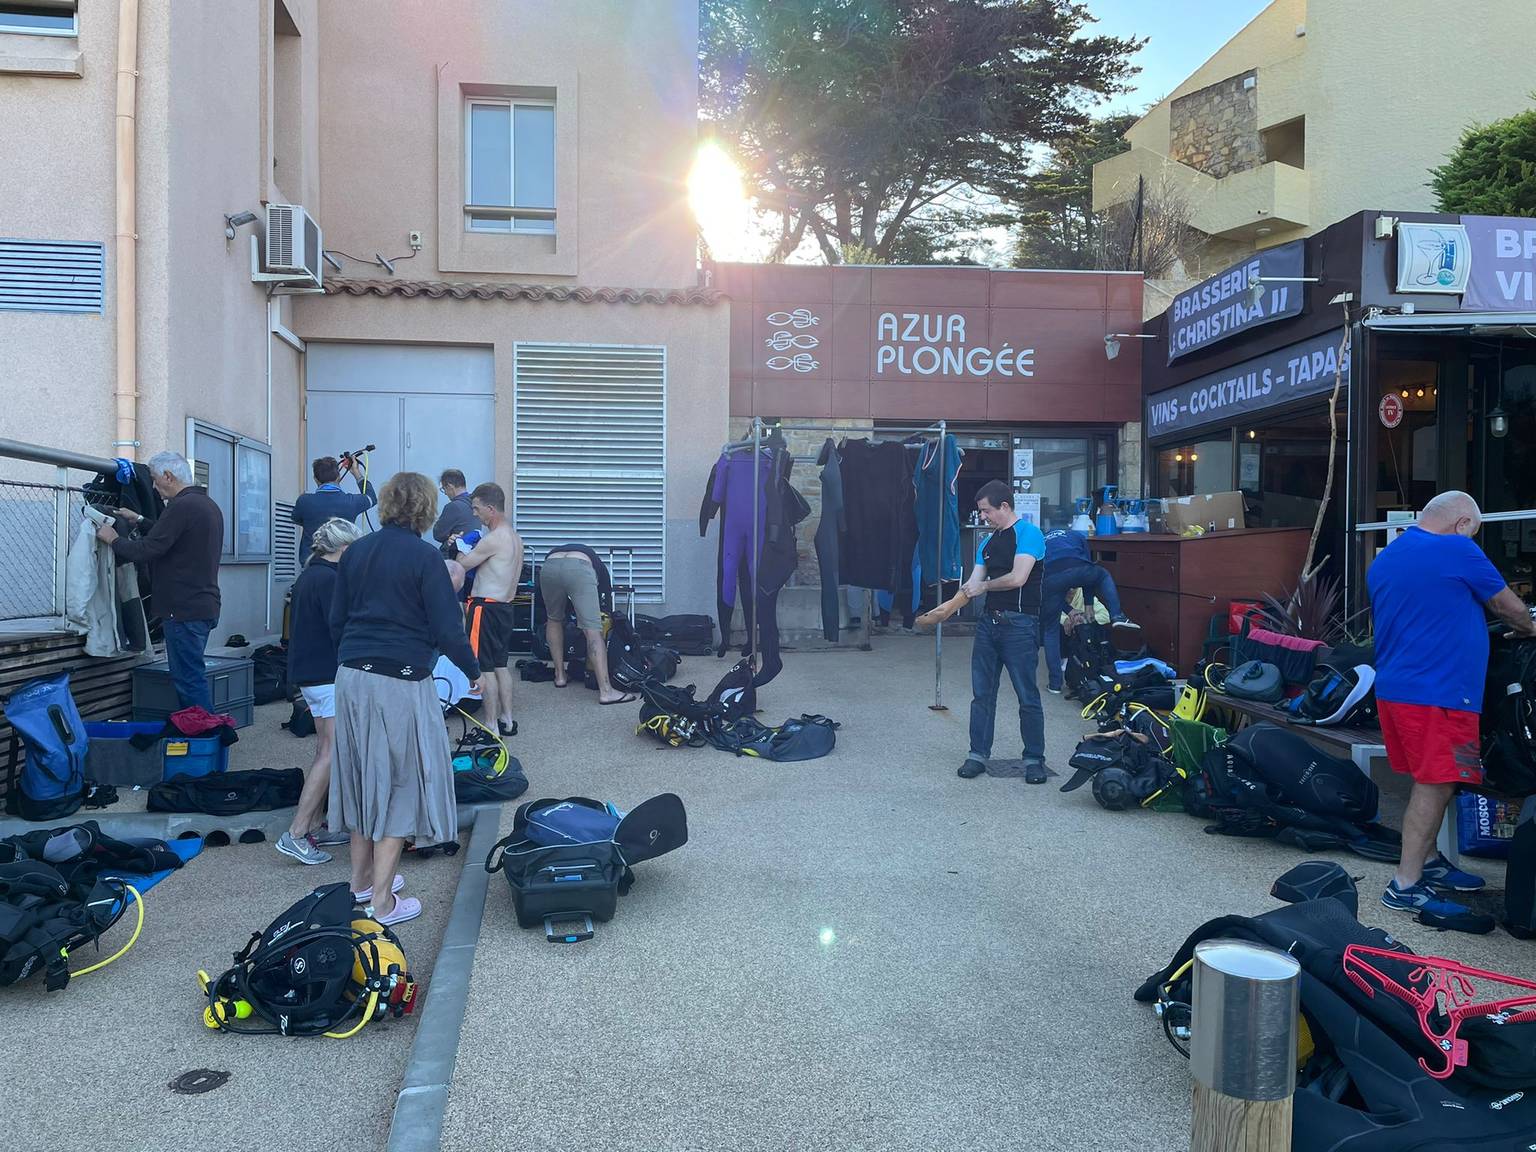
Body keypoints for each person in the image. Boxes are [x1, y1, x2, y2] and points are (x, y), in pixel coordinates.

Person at [1368, 491, 1535, 919]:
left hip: (1396, 689)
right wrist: (1529, 627)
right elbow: (1507, 606)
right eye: (1472, 531)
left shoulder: (1389, 557)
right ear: (1462, 524)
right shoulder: (1457, 549)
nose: (1471, 539)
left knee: (1431, 778)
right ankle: (1405, 885)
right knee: (1439, 782)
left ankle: (1428, 862)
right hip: (1439, 693)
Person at [329, 472, 485, 926]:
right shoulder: (426, 557)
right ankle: (381, 904)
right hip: (399, 679)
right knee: (400, 783)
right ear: (426, 509)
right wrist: (473, 673)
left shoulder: (356, 551)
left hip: (351, 675)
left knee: (361, 776)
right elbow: (447, 629)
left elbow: (337, 619)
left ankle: (360, 883)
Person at [96, 451, 222, 709]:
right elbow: (172, 537)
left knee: (188, 679)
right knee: (192, 675)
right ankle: (202, 727)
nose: (153, 487)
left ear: (168, 476)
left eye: (154, 479)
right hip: (202, 605)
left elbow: (147, 550)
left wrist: (113, 539)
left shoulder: (181, 506)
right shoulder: (205, 505)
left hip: (183, 610)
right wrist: (140, 520)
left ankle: (205, 730)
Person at [276, 517, 362, 866]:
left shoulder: (311, 574)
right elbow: (340, 629)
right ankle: (296, 832)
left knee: (326, 749)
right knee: (330, 751)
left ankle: (314, 825)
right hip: (326, 675)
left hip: (311, 674)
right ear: (344, 548)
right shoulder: (329, 580)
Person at [958, 481, 1049, 784]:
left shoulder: (1029, 534)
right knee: (982, 694)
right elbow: (972, 584)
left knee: (1027, 695)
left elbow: (1018, 578)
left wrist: (982, 586)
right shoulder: (986, 543)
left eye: (986, 511)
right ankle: (977, 755)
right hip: (988, 624)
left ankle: (1034, 759)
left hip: (1021, 625)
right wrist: (943, 610)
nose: (983, 517)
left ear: (1005, 506)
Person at [455, 482, 524, 739]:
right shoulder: (516, 538)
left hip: (484, 609)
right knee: (500, 665)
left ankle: (490, 726)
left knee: (484, 668)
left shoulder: (493, 539)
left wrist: (460, 546)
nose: (475, 514)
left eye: (476, 508)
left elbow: (461, 568)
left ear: (491, 509)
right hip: (504, 608)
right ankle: (507, 719)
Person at [1039, 527, 1137, 694]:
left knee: (1050, 631)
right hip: (1078, 568)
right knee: (1103, 575)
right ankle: (1117, 615)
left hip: (1050, 578)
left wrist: (1068, 609)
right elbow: (1087, 567)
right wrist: (1088, 603)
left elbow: (1047, 585)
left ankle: (1055, 684)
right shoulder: (1077, 535)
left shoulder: (1041, 541)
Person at [542, 544, 638, 706]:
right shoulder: (601, 571)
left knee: (553, 619)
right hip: (579, 567)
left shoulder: (569, 554)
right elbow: (604, 611)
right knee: (593, 629)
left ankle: (560, 676)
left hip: (549, 564)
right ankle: (606, 691)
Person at [291, 455, 377, 566]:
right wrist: (356, 472)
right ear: (338, 477)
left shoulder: (304, 501)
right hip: (341, 564)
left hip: (311, 563)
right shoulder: (351, 502)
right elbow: (371, 497)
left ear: (315, 479)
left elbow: (296, 519)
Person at [433, 469, 480, 543]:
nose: (445, 493)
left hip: (456, 548)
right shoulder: (476, 503)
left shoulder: (453, 507)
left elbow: (438, 535)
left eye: (444, 489)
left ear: (450, 486)